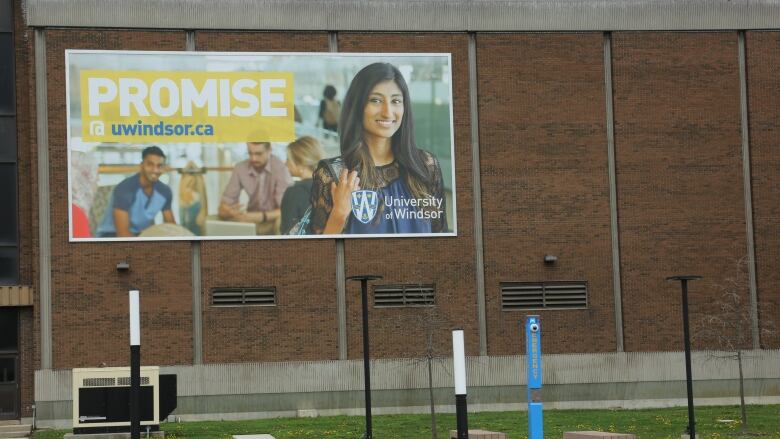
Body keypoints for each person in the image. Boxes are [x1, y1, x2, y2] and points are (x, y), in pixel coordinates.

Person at [309, 63, 448, 235]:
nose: (388, 112)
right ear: (358, 106)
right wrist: (339, 214)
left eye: (396, 101)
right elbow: (320, 255)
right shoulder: (334, 175)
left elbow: (441, 236)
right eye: (375, 100)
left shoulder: (426, 166)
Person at [97, 146, 175, 237]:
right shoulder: (125, 189)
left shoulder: (165, 191)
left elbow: (171, 226)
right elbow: (123, 234)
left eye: (159, 166)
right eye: (150, 164)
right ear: (141, 165)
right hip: (111, 236)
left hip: (140, 235)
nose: (155, 170)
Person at [218, 141, 293, 235]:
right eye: (250, 153)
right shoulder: (240, 168)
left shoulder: (281, 169)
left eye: (258, 154)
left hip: (273, 222)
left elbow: (287, 210)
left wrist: (261, 217)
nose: (253, 158)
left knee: (280, 221)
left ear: (269, 150)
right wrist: (230, 211)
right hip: (248, 219)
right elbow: (223, 206)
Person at [280, 136, 324, 234]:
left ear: (301, 164)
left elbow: (287, 233)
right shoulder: (328, 187)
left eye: (288, 159)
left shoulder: (294, 192)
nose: (285, 163)